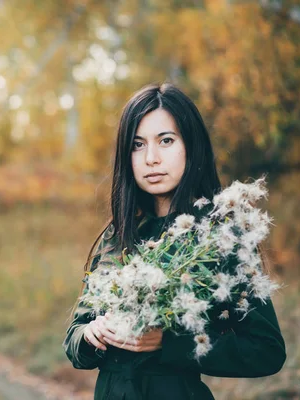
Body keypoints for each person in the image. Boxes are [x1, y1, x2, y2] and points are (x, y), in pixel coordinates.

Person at [62, 83, 286, 399]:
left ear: (191, 147)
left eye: (166, 141)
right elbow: (74, 341)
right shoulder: (116, 235)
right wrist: (91, 334)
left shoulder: (217, 238)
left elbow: (266, 350)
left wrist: (171, 343)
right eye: (137, 145)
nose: (151, 158)